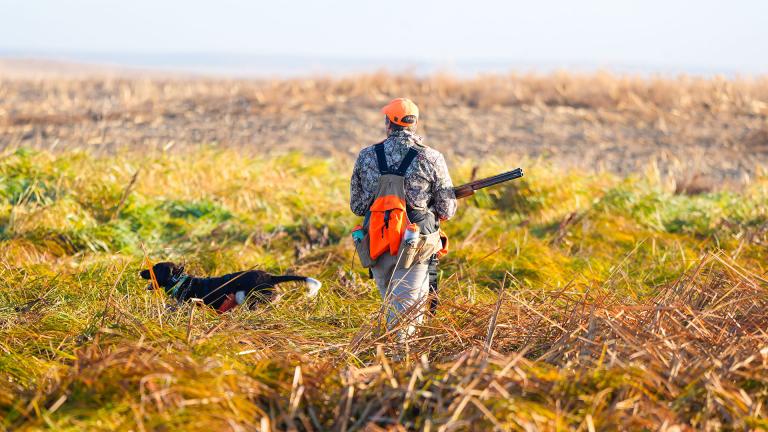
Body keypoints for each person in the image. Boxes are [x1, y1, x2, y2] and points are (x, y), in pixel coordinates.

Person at [350, 97, 457, 340]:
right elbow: (447, 210)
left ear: (388, 123)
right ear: (415, 124)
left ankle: (394, 365)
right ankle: (401, 369)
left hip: (376, 245)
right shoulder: (432, 158)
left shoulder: (366, 156)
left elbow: (357, 206)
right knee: (405, 325)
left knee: (394, 311)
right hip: (415, 248)